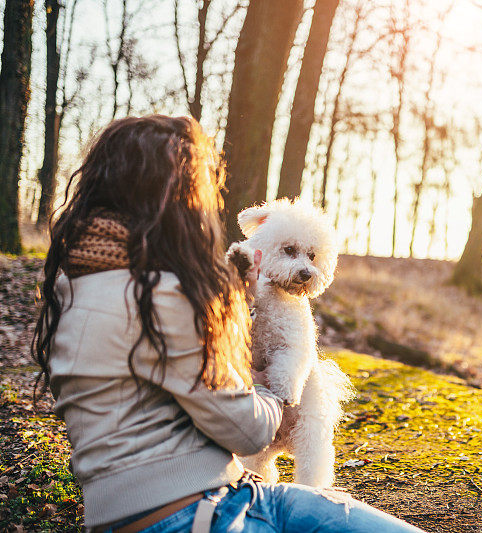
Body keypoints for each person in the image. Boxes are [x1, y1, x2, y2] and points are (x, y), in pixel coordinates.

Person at [32, 115, 424, 533]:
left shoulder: (69, 287)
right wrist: (279, 386)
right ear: (173, 197)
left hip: (193, 500)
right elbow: (248, 430)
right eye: (199, 189)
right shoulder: (159, 295)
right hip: (200, 513)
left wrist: (235, 305)